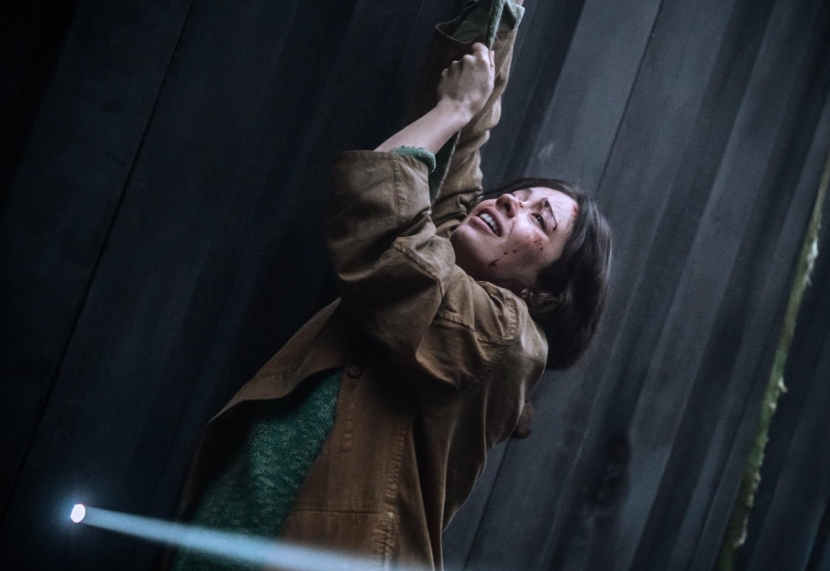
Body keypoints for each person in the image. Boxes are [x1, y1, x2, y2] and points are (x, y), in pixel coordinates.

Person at [166, 1, 611, 570]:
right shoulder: (451, 271)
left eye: (538, 219)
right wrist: (498, 15)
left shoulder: (507, 340)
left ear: (544, 295)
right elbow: (458, 151)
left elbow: (385, 231)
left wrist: (453, 108)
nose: (507, 202)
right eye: (516, 195)